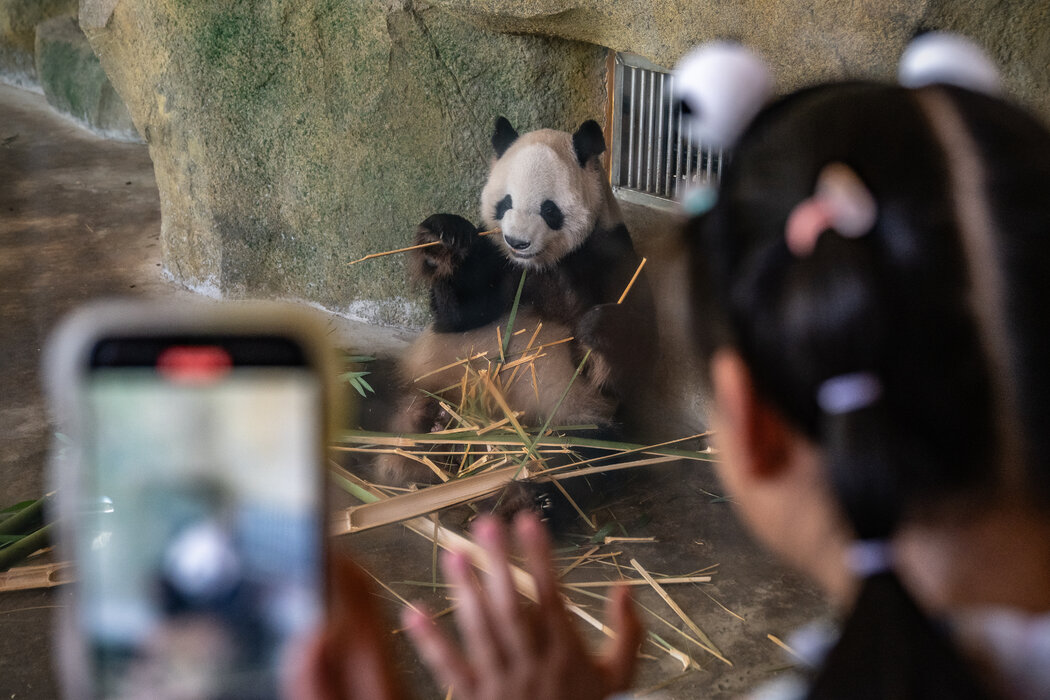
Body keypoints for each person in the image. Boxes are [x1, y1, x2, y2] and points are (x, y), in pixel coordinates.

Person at [300, 36, 1050, 699]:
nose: (521, 229)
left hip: (552, 404)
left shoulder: (610, 264)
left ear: (749, 429)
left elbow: (610, 367)